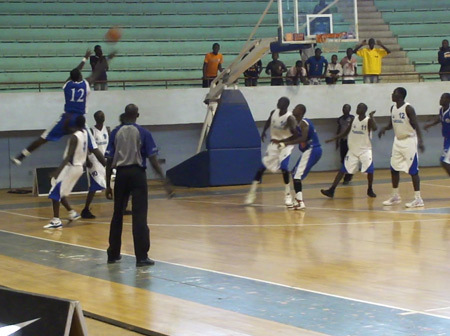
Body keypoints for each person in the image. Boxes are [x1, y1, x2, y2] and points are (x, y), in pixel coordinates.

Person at [11, 49, 115, 166]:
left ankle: (21, 156)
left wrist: (84, 59)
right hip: (79, 120)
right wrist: (108, 59)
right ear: (80, 76)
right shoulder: (86, 83)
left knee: (43, 138)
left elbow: (75, 72)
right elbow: (97, 71)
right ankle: (110, 168)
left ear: (71, 77)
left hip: (66, 118)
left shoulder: (67, 84)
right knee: (94, 148)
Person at [105, 104, 174, 267]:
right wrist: (164, 181)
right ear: (137, 115)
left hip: (120, 175)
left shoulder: (115, 132)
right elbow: (152, 159)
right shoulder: (143, 132)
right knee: (139, 216)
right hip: (137, 175)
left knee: (117, 215)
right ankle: (141, 257)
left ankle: (113, 254)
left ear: (125, 114)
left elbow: (109, 160)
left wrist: (108, 184)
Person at [245, 97, 298, 207]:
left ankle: (288, 195)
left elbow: (296, 135)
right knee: (261, 168)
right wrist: (264, 131)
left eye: (280, 102)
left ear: (286, 105)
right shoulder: (274, 112)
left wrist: (285, 142)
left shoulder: (290, 118)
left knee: (284, 167)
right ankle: (252, 193)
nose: (277, 103)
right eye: (278, 101)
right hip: (274, 144)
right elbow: (269, 121)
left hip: (286, 145)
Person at [378, 87, 425, 208]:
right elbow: (391, 124)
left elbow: (416, 125)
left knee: (413, 170)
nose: (392, 94)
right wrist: (384, 128)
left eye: (394, 93)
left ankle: (418, 199)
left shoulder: (408, 108)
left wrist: (420, 141)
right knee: (394, 168)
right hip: (397, 141)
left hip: (409, 141)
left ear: (400, 96)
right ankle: (395, 196)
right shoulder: (393, 108)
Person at [321, 103, 377, 198]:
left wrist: (372, 117)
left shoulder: (368, 120)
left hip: (365, 150)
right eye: (357, 106)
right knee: (342, 170)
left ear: (364, 110)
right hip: (353, 150)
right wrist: (334, 139)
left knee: (370, 171)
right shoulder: (353, 119)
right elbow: (345, 132)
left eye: (359, 107)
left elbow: (375, 128)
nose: (357, 108)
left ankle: (370, 189)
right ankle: (332, 190)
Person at [272, 104, 322, 210]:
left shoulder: (304, 123)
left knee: (296, 176)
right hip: (310, 151)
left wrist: (286, 144)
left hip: (313, 149)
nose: (293, 109)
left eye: (296, 108)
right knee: (295, 173)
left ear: (301, 112)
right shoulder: (296, 124)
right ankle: (297, 200)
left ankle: (300, 202)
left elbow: (302, 138)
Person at [44, 115, 88, 229]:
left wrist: (57, 171)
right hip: (79, 167)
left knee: (55, 192)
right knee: (59, 191)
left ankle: (56, 221)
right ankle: (72, 213)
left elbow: (69, 156)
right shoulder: (85, 134)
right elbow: (68, 129)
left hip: (71, 167)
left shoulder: (74, 137)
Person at [81, 111, 109, 219]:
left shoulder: (108, 129)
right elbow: (87, 146)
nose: (101, 117)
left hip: (105, 160)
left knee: (115, 183)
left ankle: (123, 207)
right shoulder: (92, 131)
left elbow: (112, 145)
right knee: (94, 186)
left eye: (102, 116)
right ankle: (86, 209)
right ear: (95, 118)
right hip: (95, 161)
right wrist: (87, 159)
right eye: (99, 116)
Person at [424, 93, 450, 176]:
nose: (440, 100)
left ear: (448, 100)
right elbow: (440, 118)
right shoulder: (441, 110)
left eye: (443, 98)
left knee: (444, 161)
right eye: (440, 98)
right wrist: (430, 125)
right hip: (446, 139)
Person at [336, 104, 355, 184]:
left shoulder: (352, 118)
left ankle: (348, 176)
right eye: (343, 108)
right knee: (343, 159)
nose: (344, 110)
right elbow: (338, 130)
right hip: (343, 141)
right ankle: (346, 174)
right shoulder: (340, 119)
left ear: (349, 109)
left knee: (350, 159)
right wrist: (337, 141)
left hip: (350, 141)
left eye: (346, 108)